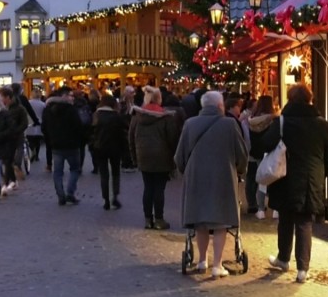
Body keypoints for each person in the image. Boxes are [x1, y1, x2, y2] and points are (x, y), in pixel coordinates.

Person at [260, 84, 328, 284]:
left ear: (290, 99)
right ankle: (303, 268)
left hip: (285, 177)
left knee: (285, 218)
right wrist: (321, 175)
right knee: (304, 222)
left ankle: (283, 258)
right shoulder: (322, 123)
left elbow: (266, 144)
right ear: (310, 99)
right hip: (311, 179)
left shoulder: (282, 122)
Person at [174, 90, 247, 278]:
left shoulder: (190, 124)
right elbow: (241, 154)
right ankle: (217, 265)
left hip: (196, 178)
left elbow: (179, 156)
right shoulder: (230, 124)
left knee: (201, 222)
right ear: (220, 106)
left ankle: (202, 261)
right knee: (220, 222)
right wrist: (239, 170)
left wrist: (187, 172)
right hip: (223, 178)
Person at [130, 85, 179, 229]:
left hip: (143, 155)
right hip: (162, 157)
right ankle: (159, 219)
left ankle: (147, 219)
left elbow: (131, 138)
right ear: (159, 99)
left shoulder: (137, 117)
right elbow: (173, 139)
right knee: (159, 189)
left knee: (148, 187)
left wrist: (135, 157)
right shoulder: (166, 117)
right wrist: (174, 159)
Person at [41, 86, 85, 206]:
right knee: (75, 169)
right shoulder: (71, 109)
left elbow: (44, 127)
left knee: (58, 172)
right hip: (72, 145)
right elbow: (78, 126)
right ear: (64, 96)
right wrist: (80, 140)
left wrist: (49, 140)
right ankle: (70, 193)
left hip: (56, 145)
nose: (72, 98)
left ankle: (61, 195)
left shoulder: (48, 109)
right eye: (70, 95)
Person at [90, 94, 125, 210]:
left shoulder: (96, 115)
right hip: (115, 147)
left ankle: (106, 199)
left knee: (104, 174)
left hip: (99, 147)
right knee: (115, 172)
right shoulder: (116, 116)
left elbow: (91, 132)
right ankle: (114, 196)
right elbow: (122, 133)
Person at [246, 95, 278, 219]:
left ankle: (260, 209)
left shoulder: (252, 120)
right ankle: (275, 209)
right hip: (270, 153)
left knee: (261, 181)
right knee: (274, 181)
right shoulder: (272, 120)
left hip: (256, 153)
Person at [0, 86, 29, 195]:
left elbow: (24, 123)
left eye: (2, 97)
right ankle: (13, 181)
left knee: (8, 161)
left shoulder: (19, 109)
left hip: (16, 137)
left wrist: (16, 131)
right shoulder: (1, 108)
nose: (1, 100)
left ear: (8, 97)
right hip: (5, 138)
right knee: (7, 162)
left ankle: (6, 185)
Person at [25, 92, 46, 162]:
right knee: (38, 141)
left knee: (30, 139)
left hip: (30, 123)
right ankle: (37, 155)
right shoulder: (43, 104)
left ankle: (32, 150)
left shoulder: (28, 103)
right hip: (39, 123)